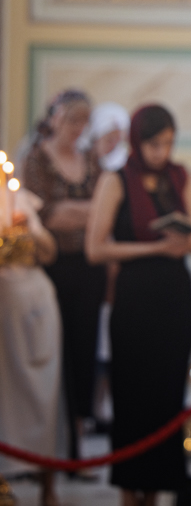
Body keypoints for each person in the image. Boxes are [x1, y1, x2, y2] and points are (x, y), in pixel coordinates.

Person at [85, 105, 191, 506]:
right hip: (134, 301)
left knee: (167, 396)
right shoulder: (115, 181)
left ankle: (155, 490)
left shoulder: (178, 175)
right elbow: (95, 249)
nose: (161, 152)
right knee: (133, 397)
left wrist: (187, 240)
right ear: (137, 141)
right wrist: (153, 247)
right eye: (154, 144)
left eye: (168, 143)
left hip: (174, 299)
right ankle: (130, 492)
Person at [21, 89, 105, 465]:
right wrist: (81, 211)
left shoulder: (91, 158)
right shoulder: (36, 158)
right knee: (56, 352)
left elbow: (103, 210)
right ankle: (53, 449)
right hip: (52, 266)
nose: (78, 128)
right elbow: (45, 216)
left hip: (90, 267)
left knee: (84, 352)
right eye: (72, 119)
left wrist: (74, 210)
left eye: (84, 121)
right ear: (55, 118)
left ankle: (78, 443)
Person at [0, 189, 62, 506]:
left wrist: (26, 232)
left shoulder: (16, 199)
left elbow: (49, 252)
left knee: (42, 394)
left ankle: (47, 485)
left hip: (33, 304)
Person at [83, 102, 131, 173]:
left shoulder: (121, 165)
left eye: (118, 141)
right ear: (95, 139)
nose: (114, 145)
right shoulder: (80, 166)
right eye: (110, 140)